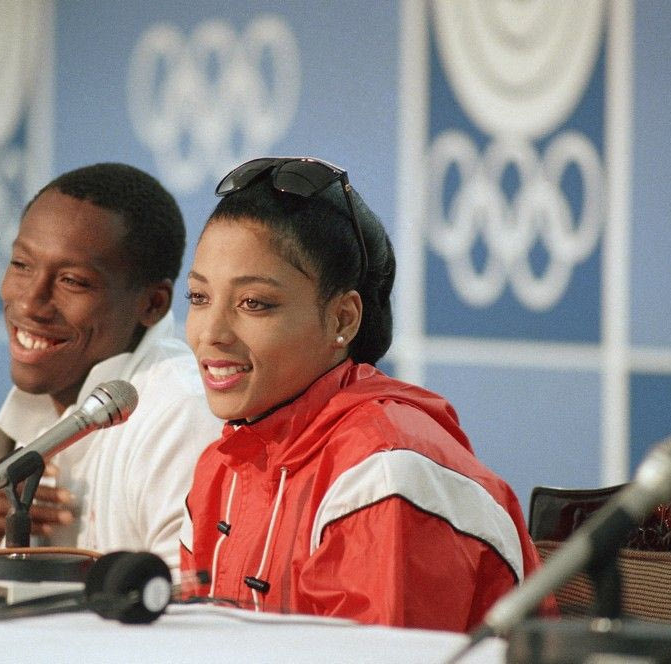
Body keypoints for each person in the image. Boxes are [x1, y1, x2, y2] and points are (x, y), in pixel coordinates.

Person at [179, 156, 551, 631]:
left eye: (254, 303)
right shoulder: (219, 467)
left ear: (342, 319)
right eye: (199, 298)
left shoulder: (386, 471)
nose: (211, 333)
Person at [0, 163, 221, 574]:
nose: (29, 302)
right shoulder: (56, 390)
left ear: (152, 304)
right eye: (21, 264)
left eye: (72, 281)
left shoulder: (180, 413)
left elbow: (187, 602)